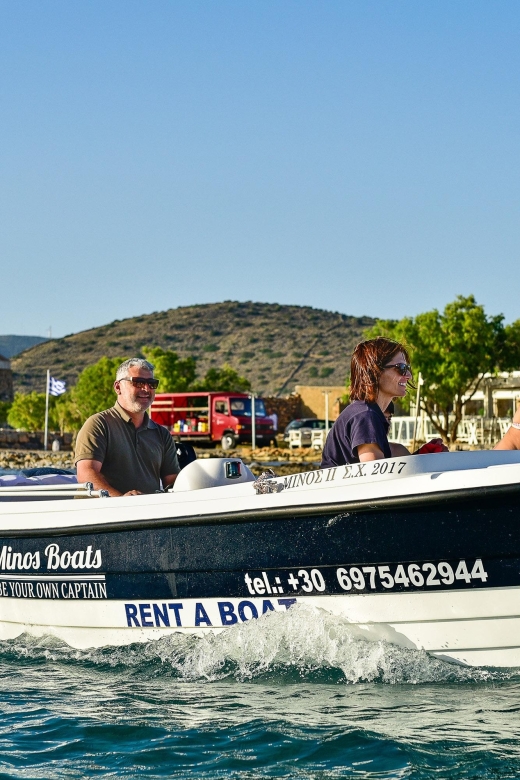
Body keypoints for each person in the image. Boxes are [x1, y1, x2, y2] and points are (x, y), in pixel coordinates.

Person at [321, 338, 447, 467]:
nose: (408, 375)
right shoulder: (365, 416)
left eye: (408, 368)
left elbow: (390, 457)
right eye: (401, 368)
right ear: (375, 372)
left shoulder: (365, 412)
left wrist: (420, 457)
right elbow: (377, 474)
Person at [75, 358, 180, 496]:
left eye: (152, 383)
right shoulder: (98, 424)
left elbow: (172, 482)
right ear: (118, 387)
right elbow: (86, 474)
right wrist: (121, 501)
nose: (146, 389)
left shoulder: (162, 434)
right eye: (138, 382)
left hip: (149, 514)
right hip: (101, 514)